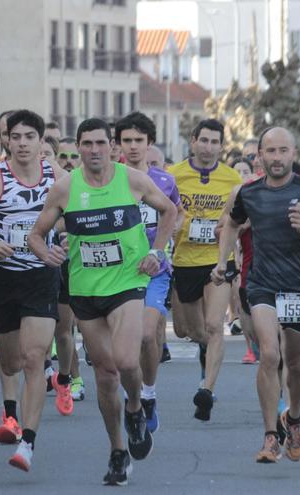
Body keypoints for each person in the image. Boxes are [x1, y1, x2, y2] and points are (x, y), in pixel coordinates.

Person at [29, 117, 176, 485]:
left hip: (128, 283)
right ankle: (117, 450)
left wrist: (157, 253)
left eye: (100, 143)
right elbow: (36, 234)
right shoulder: (65, 189)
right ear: (77, 147)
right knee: (105, 375)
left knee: (126, 361)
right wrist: (46, 254)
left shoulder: (132, 180)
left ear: (111, 146)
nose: (94, 150)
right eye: (87, 144)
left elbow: (170, 211)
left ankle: (137, 407)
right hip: (86, 291)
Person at [213, 126, 300, 462]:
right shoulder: (249, 192)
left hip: (299, 287)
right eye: (270, 151)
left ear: (293, 155)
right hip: (262, 285)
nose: (276, 158)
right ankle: (271, 434)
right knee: (270, 355)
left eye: (283, 151)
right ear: (259, 155)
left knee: (297, 363)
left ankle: (295, 418)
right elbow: (231, 223)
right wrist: (222, 261)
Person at [0, 109, 65, 472]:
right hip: (2, 280)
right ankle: (11, 408)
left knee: (34, 358)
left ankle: (28, 441)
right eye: (16, 137)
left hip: (41, 277)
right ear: (7, 140)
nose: (22, 143)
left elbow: (74, 220)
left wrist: (67, 239)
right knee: (11, 361)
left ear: (42, 141)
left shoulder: (57, 177)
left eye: (29, 137)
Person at [169, 119, 242, 421]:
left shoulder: (233, 179)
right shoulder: (173, 176)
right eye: (204, 140)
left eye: (215, 142)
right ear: (193, 141)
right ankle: (204, 352)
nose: (209, 147)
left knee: (214, 326)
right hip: (184, 260)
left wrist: (226, 226)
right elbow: (164, 211)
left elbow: (243, 219)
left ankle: (206, 390)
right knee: (189, 330)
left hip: (218, 261)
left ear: (222, 146)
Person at [116, 112, 183, 433]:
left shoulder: (164, 182)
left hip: (155, 271)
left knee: (146, 334)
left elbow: (175, 215)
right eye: (126, 140)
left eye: (138, 141)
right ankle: (132, 394)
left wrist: (159, 249)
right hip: (116, 273)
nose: (132, 147)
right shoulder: (109, 180)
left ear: (149, 144)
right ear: (118, 144)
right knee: (124, 347)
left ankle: (149, 393)